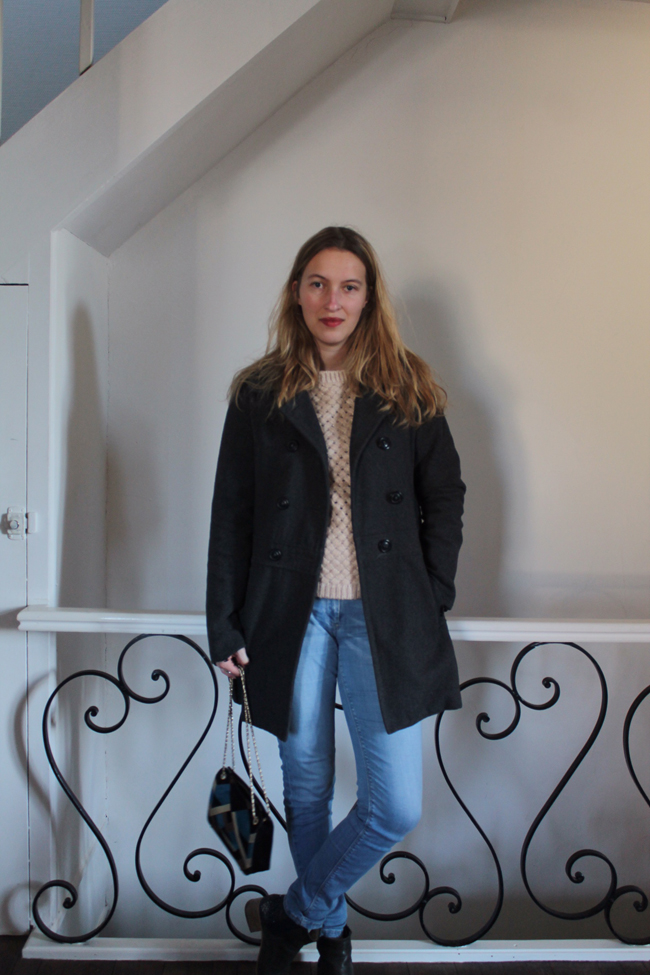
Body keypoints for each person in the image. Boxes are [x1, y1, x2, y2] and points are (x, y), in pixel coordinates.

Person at [206, 226, 465, 975]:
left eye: (349, 286)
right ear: (297, 292)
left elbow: (445, 495)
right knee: (308, 786)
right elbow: (232, 514)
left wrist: (431, 591)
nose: (333, 300)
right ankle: (330, 935)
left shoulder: (408, 385)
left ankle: (293, 911)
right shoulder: (260, 393)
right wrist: (223, 622)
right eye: (318, 283)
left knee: (395, 806)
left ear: (369, 297)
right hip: (289, 615)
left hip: (381, 617)